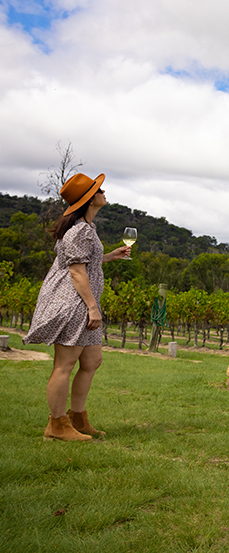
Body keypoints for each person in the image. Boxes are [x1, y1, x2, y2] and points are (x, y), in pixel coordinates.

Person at [24, 172, 130, 441]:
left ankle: (77, 418)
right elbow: (76, 272)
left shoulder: (87, 228)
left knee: (92, 361)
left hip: (83, 302)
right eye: (99, 190)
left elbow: (85, 262)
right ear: (89, 199)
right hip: (73, 303)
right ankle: (56, 425)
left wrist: (110, 256)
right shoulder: (80, 230)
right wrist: (92, 307)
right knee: (65, 364)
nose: (104, 193)